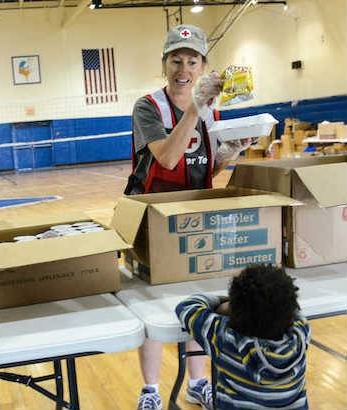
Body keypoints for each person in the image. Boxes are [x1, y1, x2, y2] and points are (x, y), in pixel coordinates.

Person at [124, 25, 255, 410]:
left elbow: (203, 169)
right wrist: (195, 108)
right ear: (163, 64)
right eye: (175, 60)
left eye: (192, 61)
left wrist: (231, 151)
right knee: (149, 304)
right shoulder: (148, 106)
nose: (183, 68)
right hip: (149, 217)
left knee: (199, 300)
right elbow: (166, 157)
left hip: (194, 213)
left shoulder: (212, 110)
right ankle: (150, 389)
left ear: (203, 66)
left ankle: (198, 382)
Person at [175, 265, 309, 409]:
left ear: (234, 311)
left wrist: (231, 303)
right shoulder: (301, 334)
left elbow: (187, 307)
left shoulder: (226, 338)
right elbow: (294, 309)